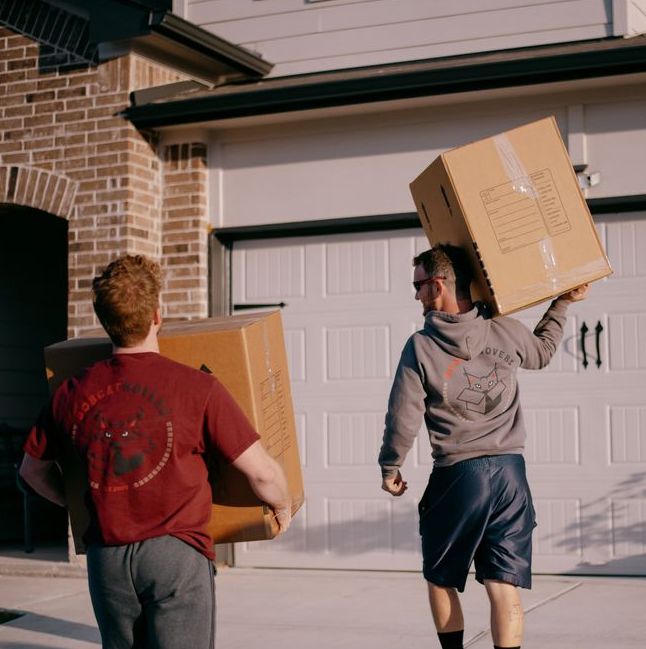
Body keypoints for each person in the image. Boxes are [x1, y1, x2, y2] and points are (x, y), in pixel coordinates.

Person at [19, 254, 291, 649]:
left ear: (105, 322)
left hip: (107, 558)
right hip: (176, 554)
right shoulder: (197, 388)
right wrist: (282, 507)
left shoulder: (72, 391)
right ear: (156, 316)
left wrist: (76, 503)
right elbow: (263, 473)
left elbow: (30, 471)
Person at [378, 244, 588, 649]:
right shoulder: (503, 329)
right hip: (511, 477)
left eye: (419, 286)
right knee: (502, 582)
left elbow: (402, 415)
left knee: (440, 577)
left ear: (438, 284)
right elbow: (542, 353)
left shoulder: (421, 346)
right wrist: (562, 303)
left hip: (459, 476)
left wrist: (390, 467)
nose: (417, 295)